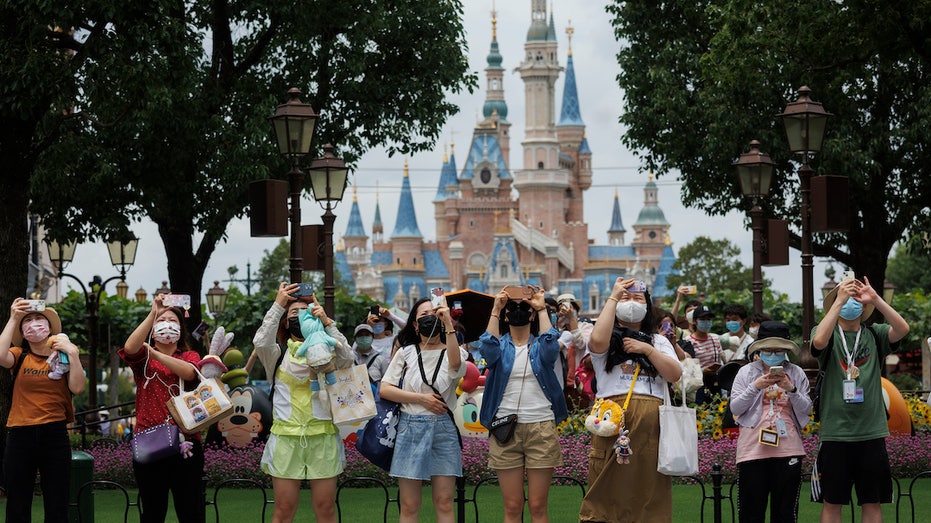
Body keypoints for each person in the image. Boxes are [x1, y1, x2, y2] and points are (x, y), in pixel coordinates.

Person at [579, 278, 682, 523]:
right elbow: (596, 342)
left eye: (638, 298)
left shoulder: (658, 341)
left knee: (649, 491)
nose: (632, 303)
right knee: (606, 486)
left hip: (651, 428)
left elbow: (674, 374)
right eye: (626, 298)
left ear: (647, 306)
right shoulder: (607, 337)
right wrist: (614, 296)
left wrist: (647, 350)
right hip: (611, 422)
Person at [253, 282, 353, 523]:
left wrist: (327, 323)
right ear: (286, 322)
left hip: (323, 437)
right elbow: (260, 342)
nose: (298, 316)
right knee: (284, 510)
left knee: (326, 509)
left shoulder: (329, 350)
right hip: (286, 439)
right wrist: (278, 305)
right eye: (293, 313)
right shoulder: (276, 355)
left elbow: (348, 358)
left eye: (304, 311)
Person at [811, 275, 909, 523]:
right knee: (832, 503)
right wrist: (837, 301)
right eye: (846, 298)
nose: (851, 302)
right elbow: (818, 342)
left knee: (872, 502)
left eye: (856, 299)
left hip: (871, 432)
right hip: (836, 433)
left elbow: (902, 329)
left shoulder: (875, 334)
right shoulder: (827, 333)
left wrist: (876, 299)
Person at [479, 286, 567, 523]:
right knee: (512, 506)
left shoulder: (539, 345)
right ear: (506, 315)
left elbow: (551, 348)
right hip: (505, 428)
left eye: (523, 308)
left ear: (530, 314)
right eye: (512, 308)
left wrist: (540, 308)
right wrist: (496, 309)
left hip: (540, 426)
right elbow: (486, 349)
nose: (518, 311)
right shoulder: (500, 347)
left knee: (538, 506)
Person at [379, 297, 467, 523]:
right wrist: (422, 399)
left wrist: (448, 323)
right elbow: (385, 389)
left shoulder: (455, 351)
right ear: (415, 324)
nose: (431, 318)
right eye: (424, 315)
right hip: (410, 426)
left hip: (443, 429)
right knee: (408, 505)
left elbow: (456, 366)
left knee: (445, 502)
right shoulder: (405, 352)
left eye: (435, 313)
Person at [120, 295, 203, 523]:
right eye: (162, 320)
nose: (167, 323)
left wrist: (154, 353)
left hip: (186, 440)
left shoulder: (189, 356)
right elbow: (129, 347)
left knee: (191, 510)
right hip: (150, 439)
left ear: (180, 328)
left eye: (173, 320)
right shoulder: (142, 360)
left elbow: (189, 373)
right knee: (153, 510)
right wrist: (153, 312)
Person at [1, 299, 84, 523]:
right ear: (22, 332)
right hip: (20, 433)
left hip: (54, 434)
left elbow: (77, 387)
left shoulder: (64, 357)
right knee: (18, 502)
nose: (34, 324)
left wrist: (73, 354)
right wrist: (13, 318)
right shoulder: (18, 354)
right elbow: (1, 356)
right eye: (28, 321)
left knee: (57, 502)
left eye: (39, 319)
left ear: (50, 328)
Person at [729, 321, 811, 523]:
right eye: (768, 349)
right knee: (751, 513)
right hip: (752, 449)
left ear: (786, 350)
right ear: (760, 349)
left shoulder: (796, 372)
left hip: (789, 448)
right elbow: (735, 408)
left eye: (778, 350)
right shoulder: (747, 372)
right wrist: (756, 387)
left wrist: (791, 389)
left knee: (785, 514)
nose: (773, 354)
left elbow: (807, 408)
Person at [688, 304, 726, 403]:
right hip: (698, 385)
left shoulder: (715, 339)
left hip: (714, 384)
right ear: (695, 321)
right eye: (703, 319)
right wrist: (703, 370)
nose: (706, 322)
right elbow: (687, 369)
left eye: (708, 319)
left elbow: (722, 359)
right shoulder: (689, 341)